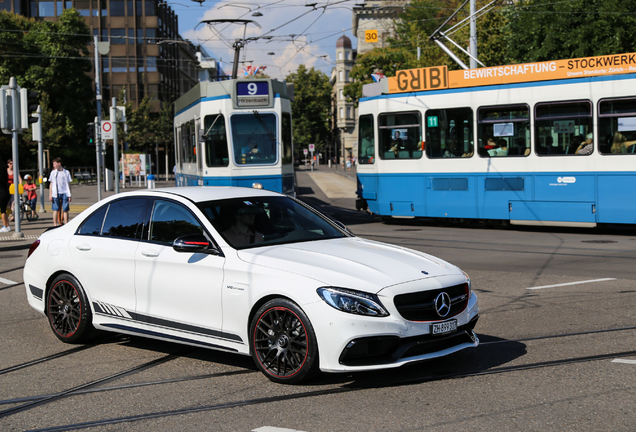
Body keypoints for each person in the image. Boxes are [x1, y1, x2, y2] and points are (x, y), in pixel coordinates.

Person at [49, 157, 72, 226]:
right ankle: (55, 224)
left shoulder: (66, 172)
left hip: (65, 192)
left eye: (55, 164)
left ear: (59, 163)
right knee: (55, 209)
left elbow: (68, 184)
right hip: (56, 193)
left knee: (65, 209)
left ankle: (66, 223)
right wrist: (50, 194)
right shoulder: (53, 173)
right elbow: (51, 183)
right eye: (53, 164)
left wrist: (70, 195)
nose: (54, 166)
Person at [0, 157, 10, 232]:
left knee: (3, 210)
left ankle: (5, 226)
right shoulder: (4, 172)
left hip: (1, 193)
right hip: (6, 191)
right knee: (4, 210)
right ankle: (7, 225)